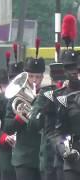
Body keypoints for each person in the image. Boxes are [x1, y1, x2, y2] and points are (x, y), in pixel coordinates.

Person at [4, 57, 45, 180]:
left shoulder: (48, 95)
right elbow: (7, 127)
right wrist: (19, 119)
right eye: (31, 76)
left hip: (43, 157)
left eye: (38, 77)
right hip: (23, 158)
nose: (34, 81)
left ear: (42, 77)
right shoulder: (16, 98)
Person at [27, 62, 65, 180]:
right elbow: (33, 123)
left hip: (69, 160)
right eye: (56, 81)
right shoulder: (46, 93)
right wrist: (44, 111)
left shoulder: (72, 93)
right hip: (49, 157)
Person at [51, 49, 80, 180]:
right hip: (73, 161)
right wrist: (64, 150)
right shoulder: (63, 98)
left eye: (77, 68)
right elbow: (57, 132)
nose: (75, 72)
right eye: (70, 69)